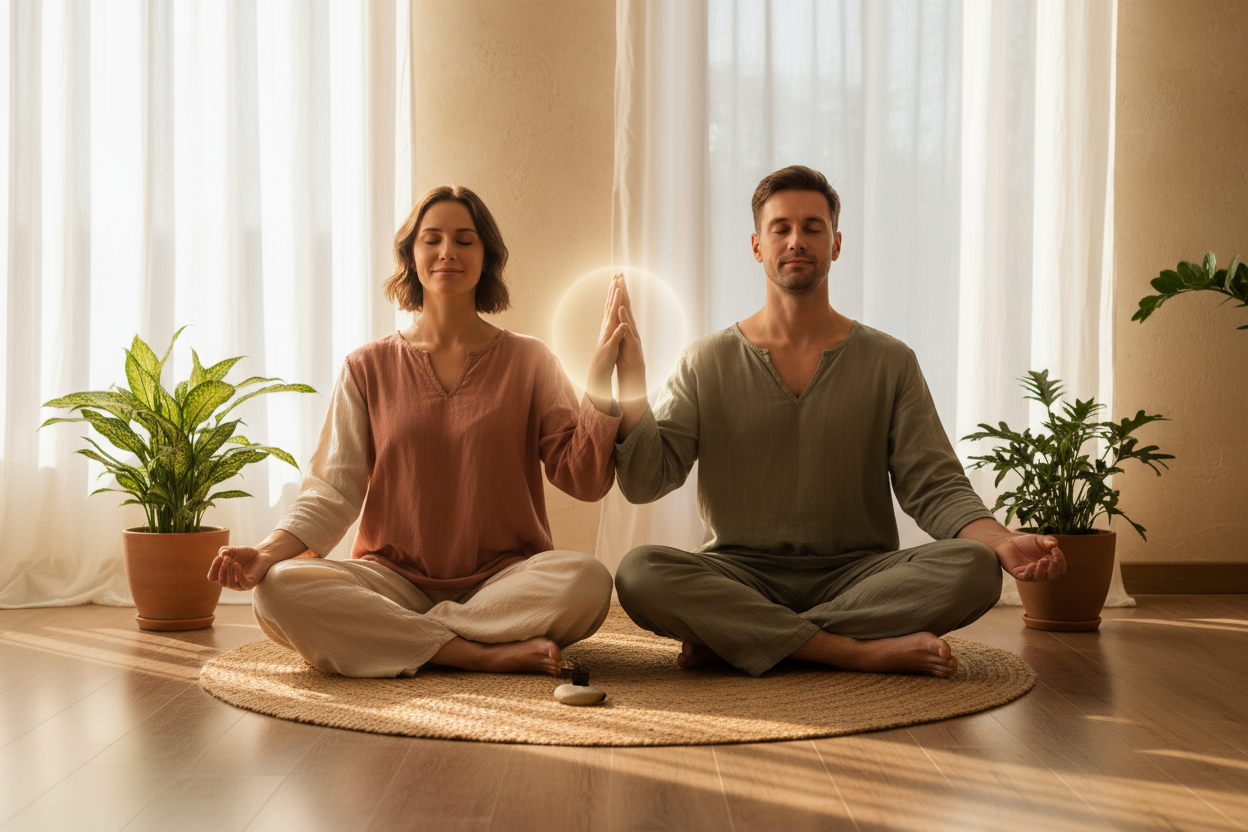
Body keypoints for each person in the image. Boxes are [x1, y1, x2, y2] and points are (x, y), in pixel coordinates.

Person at [603, 165, 1067, 679]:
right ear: (757, 245)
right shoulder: (705, 360)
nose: (796, 240)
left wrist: (1001, 541)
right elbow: (647, 479)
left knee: (977, 569)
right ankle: (848, 650)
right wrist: (632, 384)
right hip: (742, 573)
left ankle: (745, 637)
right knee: (639, 572)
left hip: (860, 575)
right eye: (781, 228)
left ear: (836, 243)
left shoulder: (891, 361)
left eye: (812, 227)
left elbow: (935, 485)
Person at [208, 185, 633, 678]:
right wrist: (263, 554)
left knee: (588, 580)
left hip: (504, 581)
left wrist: (601, 382)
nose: (447, 251)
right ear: (411, 254)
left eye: (464, 239)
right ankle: (476, 651)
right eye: (432, 239)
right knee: (279, 587)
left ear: (486, 255)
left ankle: (399, 637)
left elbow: (583, 479)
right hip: (390, 581)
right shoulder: (365, 367)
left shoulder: (530, 359)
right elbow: (332, 492)